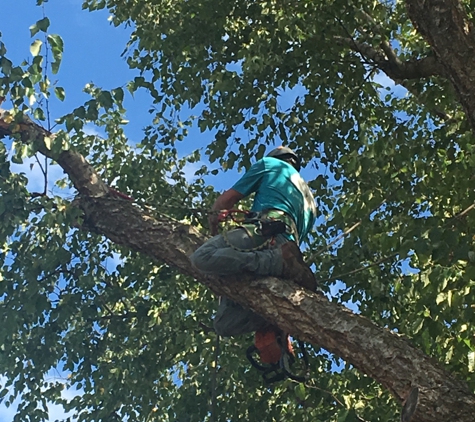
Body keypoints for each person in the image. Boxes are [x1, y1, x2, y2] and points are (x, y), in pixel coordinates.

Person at [190, 146, 317, 337]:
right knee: (224, 324)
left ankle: (276, 261)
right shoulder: (311, 203)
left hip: (265, 230)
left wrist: (214, 223)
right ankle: (273, 322)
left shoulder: (270, 164)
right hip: (286, 241)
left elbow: (226, 201)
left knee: (202, 256)